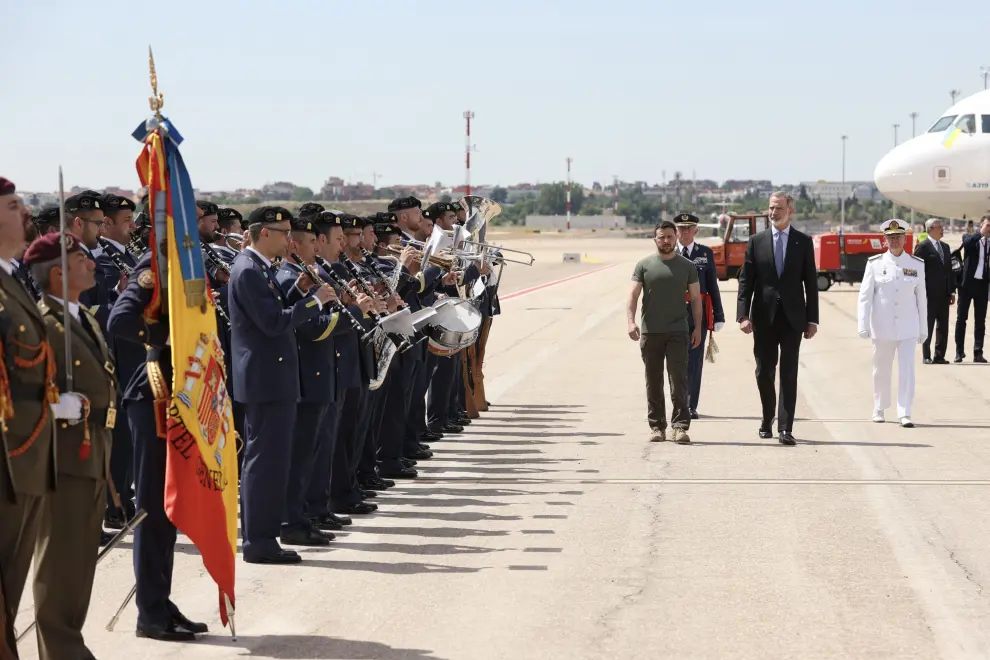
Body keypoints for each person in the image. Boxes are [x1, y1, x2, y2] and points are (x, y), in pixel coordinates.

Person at [108, 235, 209, 642]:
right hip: (154, 394)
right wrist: (163, 339)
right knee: (153, 508)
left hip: (180, 393)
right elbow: (120, 319)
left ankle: (160, 602)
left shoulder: (185, 268)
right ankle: (149, 614)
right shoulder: (155, 265)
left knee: (169, 511)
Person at [25, 232, 116, 660]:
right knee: (60, 562)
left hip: (93, 450)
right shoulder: (43, 323)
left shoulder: (83, 318)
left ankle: (68, 644)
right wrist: (52, 405)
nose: (93, 265)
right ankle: (61, 651)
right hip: (63, 456)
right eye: (83, 259)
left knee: (79, 563)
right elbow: (20, 385)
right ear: (59, 273)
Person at [228, 206, 334, 565]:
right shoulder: (248, 270)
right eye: (283, 231)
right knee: (264, 463)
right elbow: (273, 324)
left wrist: (297, 292)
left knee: (273, 461)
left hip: (274, 380)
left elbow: (274, 312)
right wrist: (314, 301)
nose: (289, 238)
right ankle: (258, 540)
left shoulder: (260, 268)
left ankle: (265, 535)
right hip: (265, 382)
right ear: (263, 233)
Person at [0, 177, 58, 647]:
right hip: (9, 459)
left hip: (28, 455)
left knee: (11, 586)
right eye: (15, 205)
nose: (26, 214)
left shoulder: (10, 277)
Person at [736, 191, 819, 445]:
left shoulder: (802, 242)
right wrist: (742, 315)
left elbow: (811, 283)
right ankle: (767, 417)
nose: (773, 213)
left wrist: (812, 319)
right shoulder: (756, 241)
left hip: (793, 319)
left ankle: (786, 427)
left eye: (779, 208)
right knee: (763, 371)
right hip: (763, 317)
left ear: (790, 211)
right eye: (771, 208)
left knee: (789, 372)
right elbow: (745, 281)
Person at [627, 219, 702, 444]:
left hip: (678, 331)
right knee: (653, 380)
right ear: (655, 239)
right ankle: (657, 427)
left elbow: (696, 299)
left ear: (675, 238)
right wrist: (631, 322)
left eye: (670, 236)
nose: (666, 241)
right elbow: (632, 295)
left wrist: (697, 328)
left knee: (679, 380)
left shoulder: (687, 266)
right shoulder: (644, 265)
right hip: (651, 332)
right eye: (662, 237)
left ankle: (680, 427)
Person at [858, 219, 927, 427]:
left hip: (908, 327)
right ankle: (879, 407)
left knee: (907, 371)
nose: (894, 241)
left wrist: (923, 328)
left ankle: (904, 412)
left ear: (905, 239)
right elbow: (865, 296)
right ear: (884, 240)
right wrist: (863, 323)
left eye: (898, 237)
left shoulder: (916, 264)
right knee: (881, 369)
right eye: (890, 238)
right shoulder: (875, 263)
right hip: (882, 326)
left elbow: (921, 298)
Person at [674, 213, 725, 418]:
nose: (684, 232)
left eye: (689, 228)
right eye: (681, 228)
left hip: (698, 314)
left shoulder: (705, 253)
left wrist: (718, 315)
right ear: (676, 231)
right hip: (674, 313)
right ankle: (678, 402)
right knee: (676, 360)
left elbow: (712, 284)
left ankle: (690, 404)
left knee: (694, 360)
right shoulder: (668, 253)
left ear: (696, 230)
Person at [913, 217, 955, 364]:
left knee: (943, 327)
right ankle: (926, 355)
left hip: (944, 294)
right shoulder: (923, 247)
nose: (942, 229)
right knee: (928, 326)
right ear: (930, 229)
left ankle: (939, 355)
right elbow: (916, 271)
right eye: (939, 227)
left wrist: (951, 291)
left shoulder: (945, 247)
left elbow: (949, 271)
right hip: (928, 295)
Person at [952, 215, 990, 363]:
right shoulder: (969, 237)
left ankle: (978, 352)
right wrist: (980, 234)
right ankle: (959, 352)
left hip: (982, 284)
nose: (989, 229)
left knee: (980, 321)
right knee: (961, 318)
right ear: (981, 225)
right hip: (966, 285)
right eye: (987, 225)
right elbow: (967, 245)